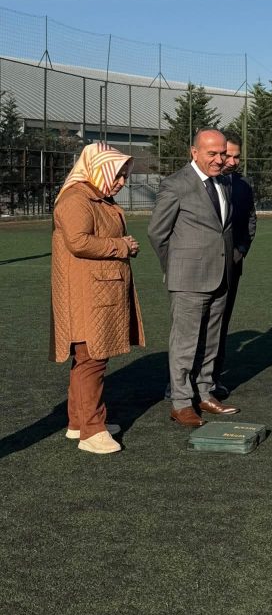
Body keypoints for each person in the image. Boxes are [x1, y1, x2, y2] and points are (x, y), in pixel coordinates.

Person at [49, 142, 144, 454]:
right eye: (117, 174)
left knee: (87, 360)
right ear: (97, 170)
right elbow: (78, 242)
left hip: (98, 289)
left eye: (124, 175)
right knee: (92, 359)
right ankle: (93, 430)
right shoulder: (77, 199)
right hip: (86, 293)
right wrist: (122, 246)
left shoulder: (95, 197)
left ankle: (78, 423)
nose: (122, 182)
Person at [148, 128, 241, 427]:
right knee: (185, 344)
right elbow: (157, 233)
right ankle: (181, 402)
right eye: (212, 154)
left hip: (221, 277)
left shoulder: (223, 182)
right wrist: (176, 267)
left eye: (222, 154)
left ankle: (204, 393)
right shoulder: (175, 184)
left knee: (211, 342)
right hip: (188, 279)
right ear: (194, 152)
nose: (219, 160)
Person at [211, 132, 257, 396]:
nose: (231, 161)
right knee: (195, 327)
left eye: (236, 156)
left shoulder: (243, 185)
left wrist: (240, 251)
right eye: (227, 155)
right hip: (200, 267)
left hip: (231, 266)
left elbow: (251, 220)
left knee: (221, 323)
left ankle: (212, 380)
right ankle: (180, 383)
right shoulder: (200, 182)